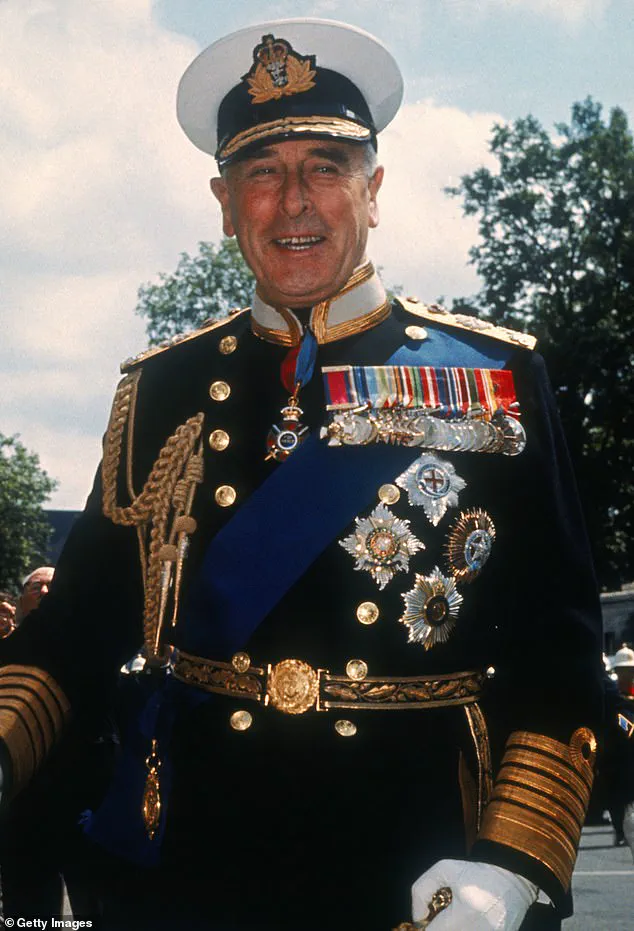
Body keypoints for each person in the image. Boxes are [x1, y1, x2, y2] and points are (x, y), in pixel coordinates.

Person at [0, 19, 603, 931]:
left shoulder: (492, 378)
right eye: (262, 172)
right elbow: (77, 630)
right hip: (194, 865)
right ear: (224, 201)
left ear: (374, 189)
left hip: (424, 864)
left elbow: (557, 653)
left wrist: (515, 859)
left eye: (325, 166)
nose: (293, 203)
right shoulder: (162, 389)